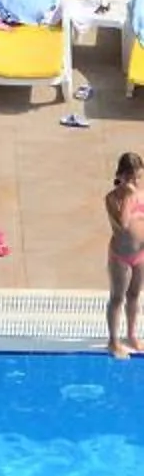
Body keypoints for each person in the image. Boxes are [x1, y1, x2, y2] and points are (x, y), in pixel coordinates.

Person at [105, 151, 144, 356]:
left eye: (138, 177)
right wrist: (129, 197)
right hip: (121, 256)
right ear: (120, 175)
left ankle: (131, 334)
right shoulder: (112, 199)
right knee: (118, 297)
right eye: (130, 177)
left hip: (141, 255)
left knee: (135, 295)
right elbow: (123, 223)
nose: (135, 182)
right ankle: (113, 340)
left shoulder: (142, 193)